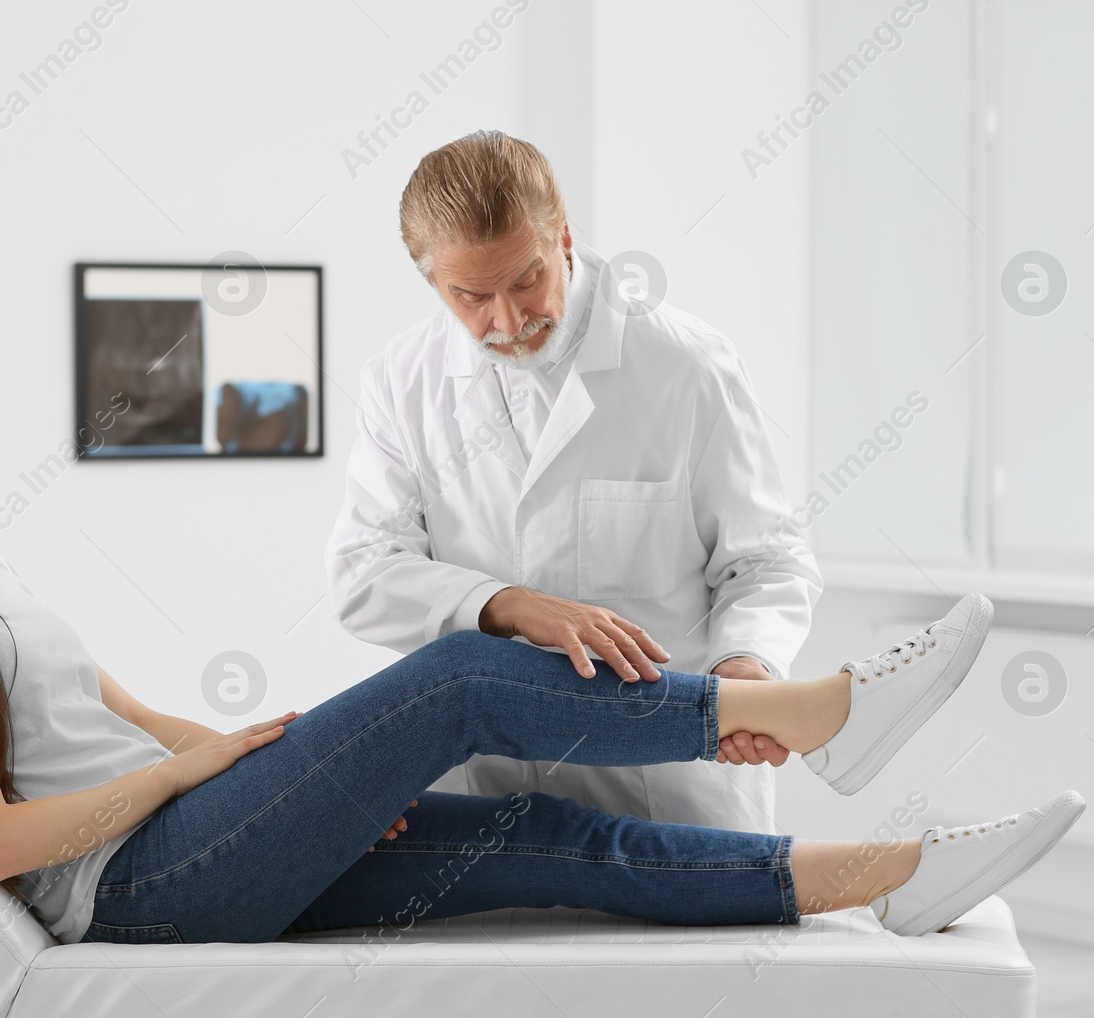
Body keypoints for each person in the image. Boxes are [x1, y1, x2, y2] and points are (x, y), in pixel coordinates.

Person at [0, 339, 1083, 947]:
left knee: (543, 836)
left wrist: (285, 780)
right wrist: (185, 782)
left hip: (198, 830)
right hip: (135, 882)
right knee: (465, 671)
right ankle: (818, 717)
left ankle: (880, 875)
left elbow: (132, 711)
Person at [326, 130, 821, 835]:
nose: (509, 319)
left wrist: (745, 666)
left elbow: (765, 561)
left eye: (526, 277)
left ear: (560, 234)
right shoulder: (400, 382)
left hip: (665, 787)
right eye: (472, 295)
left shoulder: (687, 366)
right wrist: (507, 605)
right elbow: (363, 574)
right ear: (432, 282)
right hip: (482, 785)